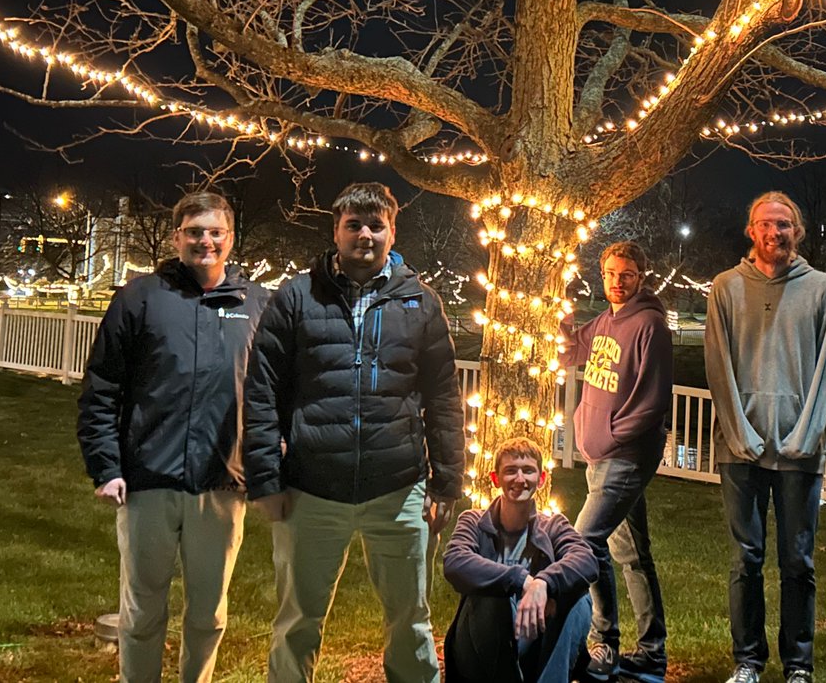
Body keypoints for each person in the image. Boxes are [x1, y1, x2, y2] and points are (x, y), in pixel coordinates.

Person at [242, 182, 464, 683]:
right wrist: (265, 478)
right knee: (297, 621)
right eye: (353, 225)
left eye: (375, 225)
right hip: (311, 490)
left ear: (391, 231)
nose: (365, 235)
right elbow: (262, 393)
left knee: (410, 621)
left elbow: (443, 397)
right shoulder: (296, 297)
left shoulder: (420, 302)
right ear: (336, 231)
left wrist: (447, 479)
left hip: (399, 488)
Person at [77, 191, 269, 683]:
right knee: (142, 612)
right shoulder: (140, 298)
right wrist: (107, 466)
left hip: (223, 483)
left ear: (230, 238)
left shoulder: (257, 306)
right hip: (147, 481)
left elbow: (273, 396)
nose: (205, 241)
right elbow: (103, 387)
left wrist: (267, 468)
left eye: (215, 232)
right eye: (194, 232)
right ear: (176, 237)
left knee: (209, 614)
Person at [704, 192, 826, 683]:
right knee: (746, 560)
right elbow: (718, 366)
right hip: (740, 452)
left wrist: (806, 435)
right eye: (765, 224)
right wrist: (739, 433)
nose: (774, 233)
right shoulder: (724, 287)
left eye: (783, 225)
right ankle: (748, 660)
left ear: (796, 232)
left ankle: (798, 664)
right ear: (751, 230)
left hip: (800, 452)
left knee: (798, 563)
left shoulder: (822, 289)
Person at [558, 241, 673, 683]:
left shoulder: (650, 326)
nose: (617, 282)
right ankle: (651, 656)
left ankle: (604, 642)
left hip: (625, 456)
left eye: (626, 274)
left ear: (642, 275)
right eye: (609, 273)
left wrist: (608, 434)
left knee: (583, 542)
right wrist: (564, 327)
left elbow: (653, 401)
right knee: (632, 554)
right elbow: (571, 354)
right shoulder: (606, 320)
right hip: (600, 455)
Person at [443, 437, 598, 683]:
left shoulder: (553, 525)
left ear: (542, 479)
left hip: (535, 644)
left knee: (580, 597)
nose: (519, 479)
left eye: (528, 471)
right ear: (495, 479)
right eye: (510, 471)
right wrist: (523, 581)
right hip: (480, 651)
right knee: (494, 594)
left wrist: (544, 584)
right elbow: (455, 561)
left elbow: (586, 560)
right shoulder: (473, 521)